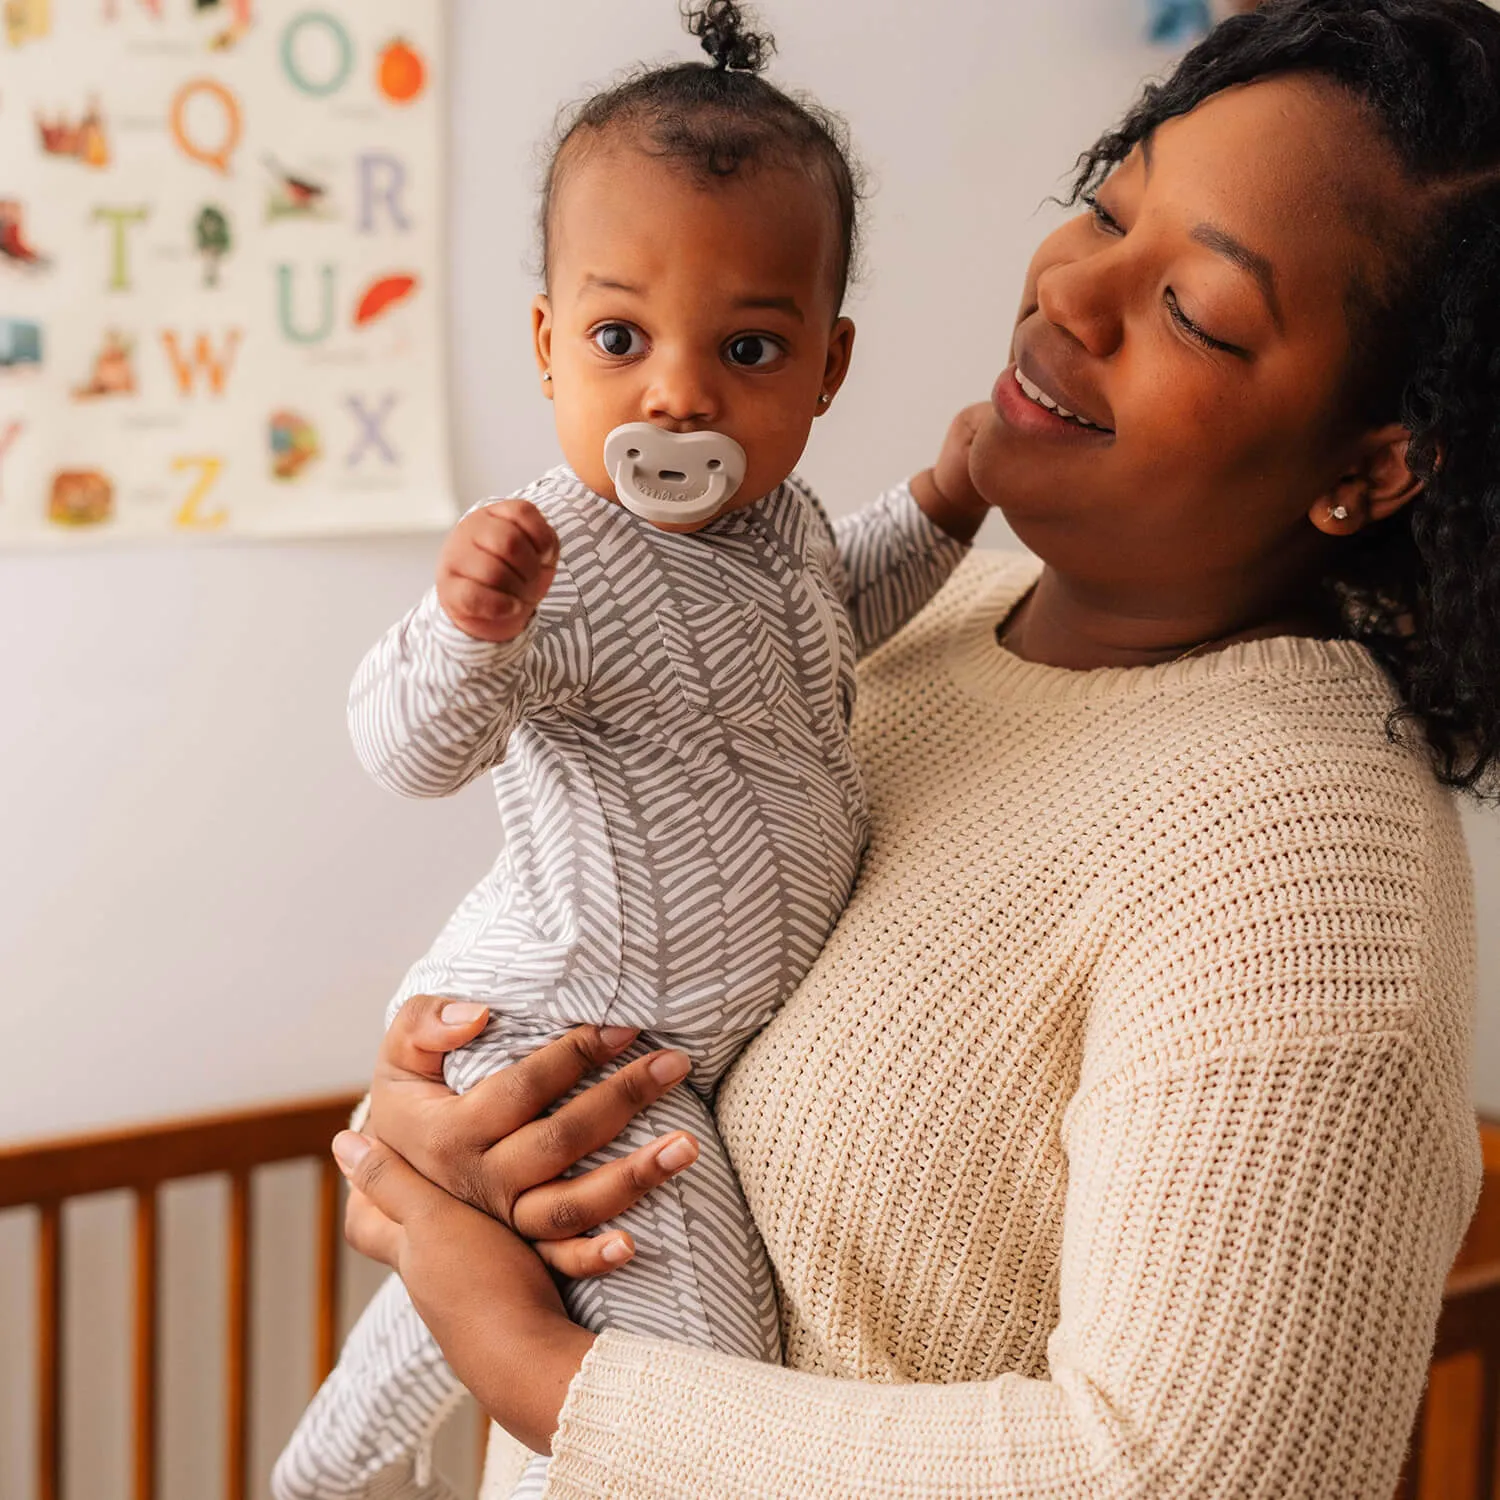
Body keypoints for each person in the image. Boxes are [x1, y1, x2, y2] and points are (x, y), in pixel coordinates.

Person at [323, 0, 1500, 1494]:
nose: (1075, 294)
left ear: (1374, 462)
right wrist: (457, 1136)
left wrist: (555, 1380)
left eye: (1198, 307)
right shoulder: (941, 616)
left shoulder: (1309, 885)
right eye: (1106, 203)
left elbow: (1179, 1472)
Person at [272, 6, 986, 1499]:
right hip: (570, 1040)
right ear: (549, 346)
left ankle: (318, 1473)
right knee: (698, 1372)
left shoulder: (781, 528)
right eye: (620, 339)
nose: (678, 395)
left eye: (746, 347)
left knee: (469, 1284)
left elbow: (839, 617)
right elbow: (409, 749)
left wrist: (940, 506)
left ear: (827, 366)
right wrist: (467, 630)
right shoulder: (558, 557)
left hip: (676, 1042)